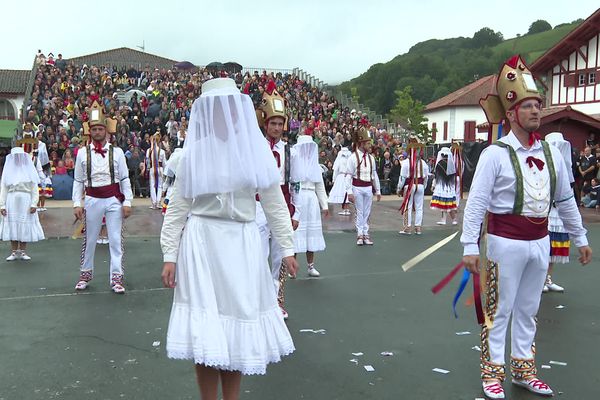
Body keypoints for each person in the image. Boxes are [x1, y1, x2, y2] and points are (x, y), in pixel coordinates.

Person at [160, 78, 298, 400]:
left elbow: (274, 200)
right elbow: (178, 207)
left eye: (230, 109)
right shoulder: (192, 155)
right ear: (207, 113)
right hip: (202, 243)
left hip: (242, 243)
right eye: (216, 110)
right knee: (206, 332)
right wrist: (170, 254)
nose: (225, 115)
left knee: (237, 326)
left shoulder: (254, 152)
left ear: (238, 113)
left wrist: (288, 246)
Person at [465, 55, 591, 399]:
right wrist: (469, 246)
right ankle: (492, 373)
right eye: (528, 106)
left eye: (538, 105)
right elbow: (476, 202)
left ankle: (523, 369)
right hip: (505, 243)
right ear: (510, 114)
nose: (536, 111)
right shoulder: (495, 154)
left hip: (540, 242)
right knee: (498, 309)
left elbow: (565, 199)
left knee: (528, 310)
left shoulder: (551, 154)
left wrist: (580, 237)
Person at [72, 101, 133, 294]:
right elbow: (78, 181)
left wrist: (128, 202)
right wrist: (76, 203)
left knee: (115, 239)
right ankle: (85, 274)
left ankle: (117, 278)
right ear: (90, 131)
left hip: (114, 198)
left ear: (106, 131)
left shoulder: (118, 152)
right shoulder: (82, 153)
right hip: (92, 199)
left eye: (100, 129)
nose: (98, 132)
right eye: (94, 129)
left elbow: (124, 178)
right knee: (90, 239)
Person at [254, 80, 300, 319]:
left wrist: (296, 212)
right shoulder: (256, 147)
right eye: (273, 123)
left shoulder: (290, 151)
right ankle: (260, 301)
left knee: (280, 255)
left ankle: (277, 299)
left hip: (282, 205)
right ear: (265, 123)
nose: (277, 127)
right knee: (258, 254)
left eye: (280, 123)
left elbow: (296, 184)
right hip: (258, 205)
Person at [291, 134, 329, 277]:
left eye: (309, 147)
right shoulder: (294, 163)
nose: (307, 150)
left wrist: (324, 205)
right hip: (298, 198)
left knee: (311, 233)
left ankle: (310, 266)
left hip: (312, 200)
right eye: (304, 147)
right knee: (295, 231)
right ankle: (292, 267)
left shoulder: (315, 166)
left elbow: (320, 186)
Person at [0, 147, 45, 261]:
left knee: (24, 223)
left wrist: (34, 203)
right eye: (16, 157)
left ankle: (23, 251)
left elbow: (34, 188)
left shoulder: (29, 170)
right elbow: (3, 189)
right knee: (13, 224)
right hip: (12, 199)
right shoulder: (8, 171)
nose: (18, 159)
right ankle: (14, 252)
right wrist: (2, 205)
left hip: (26, 199)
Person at [544, 132, 574, 293]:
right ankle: (538, 279)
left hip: (558, 212)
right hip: (544, 212)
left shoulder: (565, 167)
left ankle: (547, 278)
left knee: (554, 246)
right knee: (544, 246)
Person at [345, 127, 381, 245]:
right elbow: (348, 176)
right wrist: (349, 191)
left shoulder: (371, 158)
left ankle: (366, 233)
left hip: (368, 187)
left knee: (367, 211)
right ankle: (360, 234)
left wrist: (378, 190)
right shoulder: (352, 158)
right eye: (367, 143)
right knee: (359, 211)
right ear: (361, 143)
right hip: (357, 187)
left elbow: (374, 174)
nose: (370, 145)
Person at [397, 139, 429, 235]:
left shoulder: (406, 162)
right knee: (419, 207)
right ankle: (418, 227)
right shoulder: (423, 163)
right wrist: (424, 186)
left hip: (409, 185)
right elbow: (426, 177)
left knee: (408, 206)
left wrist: (399, 188)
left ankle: (407, 227)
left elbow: (402, 178)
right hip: (420, 185)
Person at [430, 147, 458, 225]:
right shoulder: (452, 164)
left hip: (441, 186)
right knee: (450, 203)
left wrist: (433, 185)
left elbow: (436, 176)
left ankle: (444, 219)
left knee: (443, 203)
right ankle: (454, 219)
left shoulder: (439, 164)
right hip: (450, 186)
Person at [328, 146, 352, 215]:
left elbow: (336, 170)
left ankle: (345, 209)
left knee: (342, 192)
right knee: (347, 192)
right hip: (348, 177)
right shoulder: (350, 160)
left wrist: (334, 179)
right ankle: (346, 209)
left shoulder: (339, 160)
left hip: (341, 177)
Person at [146, 132, 166, 209]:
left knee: (152, 186)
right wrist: (164, 171)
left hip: (152, 169)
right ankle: (158, 202)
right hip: (160, 169)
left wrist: (148, 168)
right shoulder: (162, 151)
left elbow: (147, 161)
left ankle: (154, 203)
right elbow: (164, 163)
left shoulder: (149, 151)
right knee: (160, 186)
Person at [161, 145, 183, 215]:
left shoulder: (173, 162)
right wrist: (164, 189)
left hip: (173, 190)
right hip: (175, 189)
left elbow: (167, 180)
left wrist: (164, 190)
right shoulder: (173, 165)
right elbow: (168, 179)